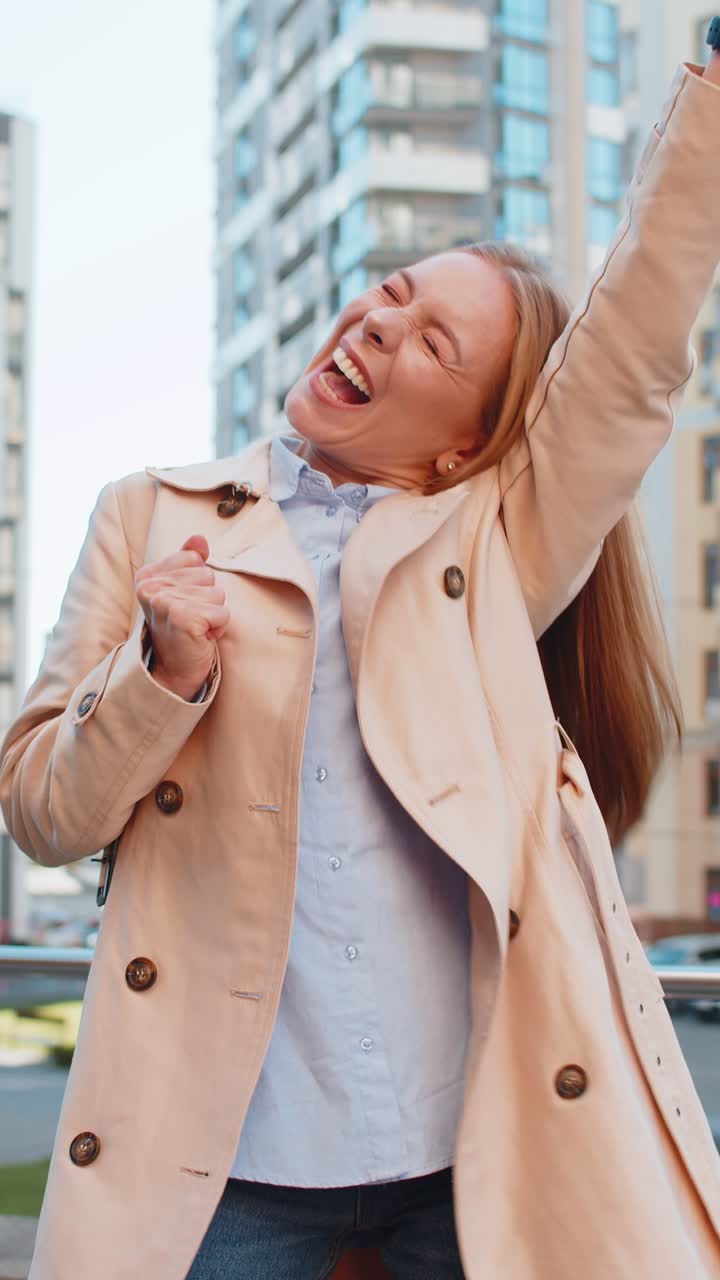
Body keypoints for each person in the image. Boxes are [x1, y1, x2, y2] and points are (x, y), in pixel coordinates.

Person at [4, 41, 720, 1280]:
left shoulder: (499, 541)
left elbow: (638, 344)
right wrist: (157, 676)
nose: (379, 323)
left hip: (473, 1156)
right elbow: (43, 814)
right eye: (393, 291)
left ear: (462, 450)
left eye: (435, 343)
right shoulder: (149, 511)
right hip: (228, 1168)